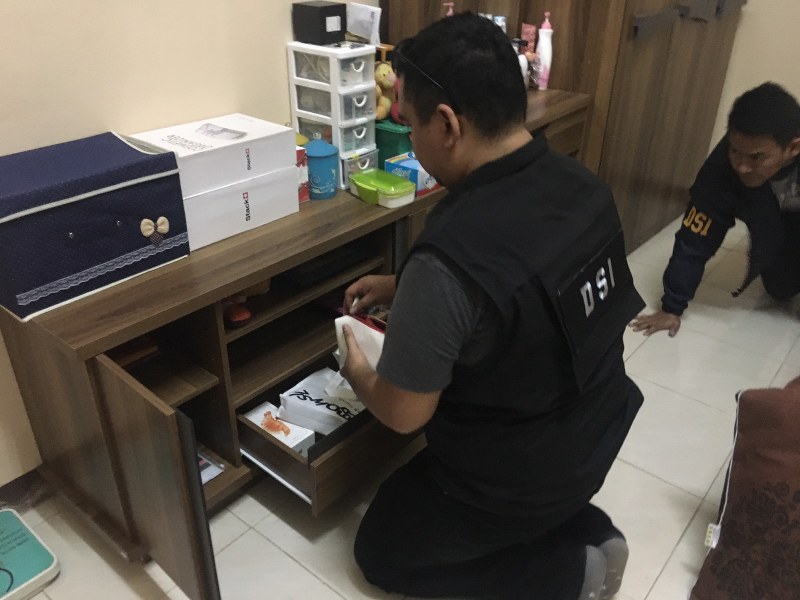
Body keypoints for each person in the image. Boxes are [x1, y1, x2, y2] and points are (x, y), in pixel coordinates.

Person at [338, 13, 645, 600]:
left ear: (447, 124)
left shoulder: (450, 253)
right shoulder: (583, 187)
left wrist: (357, 371)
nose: (409, 136)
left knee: (380, 549)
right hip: (598, 431)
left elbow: (404, 415)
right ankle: (589, 529)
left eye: (409, 123)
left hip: (514, 472)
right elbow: (522, 281)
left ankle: (565, 574)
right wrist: (405, 285)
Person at [630, 82, 800, 337]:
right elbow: (693, 242)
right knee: (781, 289)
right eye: (735, 151)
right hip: (770, 218)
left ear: (793, 148)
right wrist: (672, 308)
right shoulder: (721, 170)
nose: (742, 166)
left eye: (756, 157)